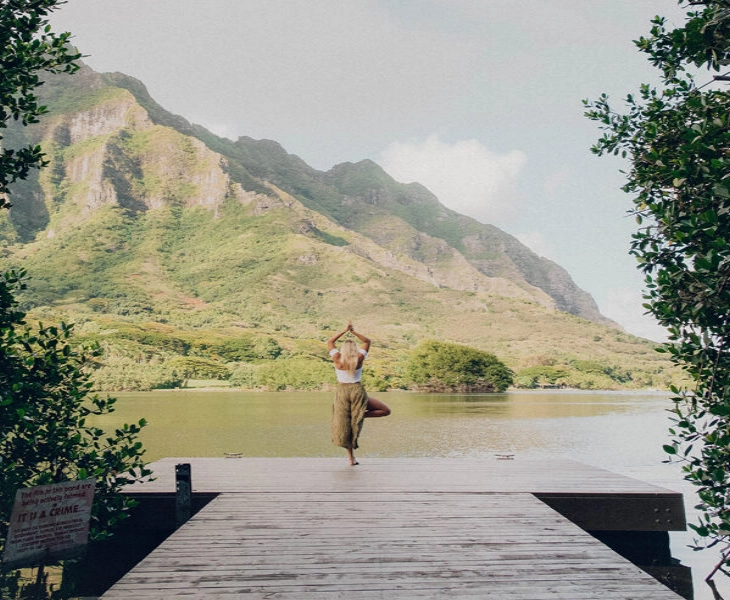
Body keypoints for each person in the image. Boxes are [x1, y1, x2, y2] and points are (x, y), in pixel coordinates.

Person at [327, 321, 390, 465]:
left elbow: (330, 341)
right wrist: (353, 331)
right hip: (356, 390)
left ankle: (351, 459)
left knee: (345, 424)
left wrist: (344, 330)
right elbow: (367, 341)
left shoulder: (337, 358)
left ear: (342, 349)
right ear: (354, 349)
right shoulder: (359, 358)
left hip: (342, 392)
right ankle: (359, 415)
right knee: (385, 411)